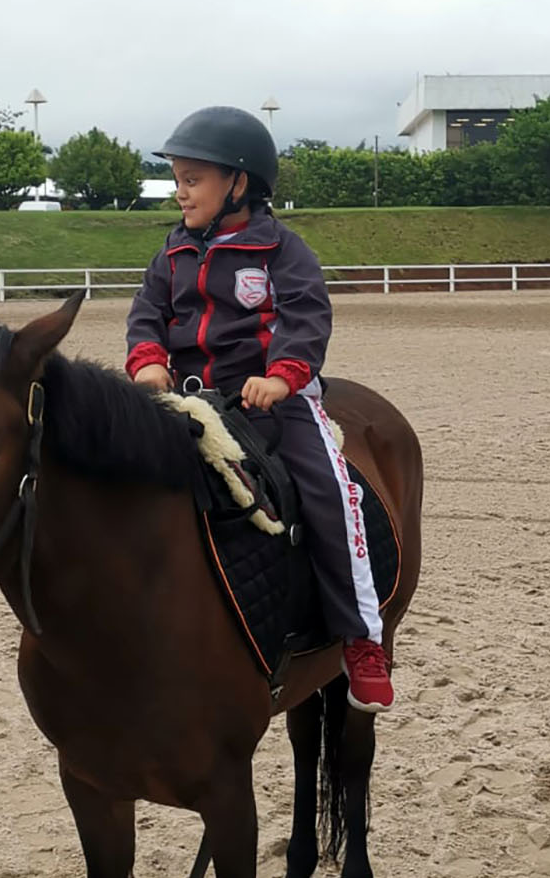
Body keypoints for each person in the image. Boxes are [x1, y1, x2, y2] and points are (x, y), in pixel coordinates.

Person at [125, 106, 395, 712]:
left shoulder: (281, 250)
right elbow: (146, 314)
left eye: (192, 179)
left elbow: (307, 315)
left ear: (238, 184)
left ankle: (361, 639)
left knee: (329, 492)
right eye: (179, 178)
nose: (180, 192)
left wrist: (282, 377)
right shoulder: (170, 253)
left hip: (275, 402)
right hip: (187, 401)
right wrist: (145, 359)